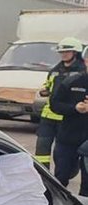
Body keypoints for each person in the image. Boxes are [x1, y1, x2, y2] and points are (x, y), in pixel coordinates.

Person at [34, 37, 86, 169]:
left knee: (62, 154)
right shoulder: (55, 70)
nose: (64, 54)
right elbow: (48, 85)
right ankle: (43, 175)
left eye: (67, 51)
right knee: (42, 148)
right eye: (62, 52)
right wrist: (44, 90)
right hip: (48, 115)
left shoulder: (81, 72)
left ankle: (66, 174)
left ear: (76, 53)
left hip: (67, 117)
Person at [47, 57, 88, 195]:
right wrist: (74, 108)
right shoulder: (72, 81)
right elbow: (55, 104)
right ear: (86, 61)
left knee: (87, 185)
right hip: (68, 137)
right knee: (61, 179)